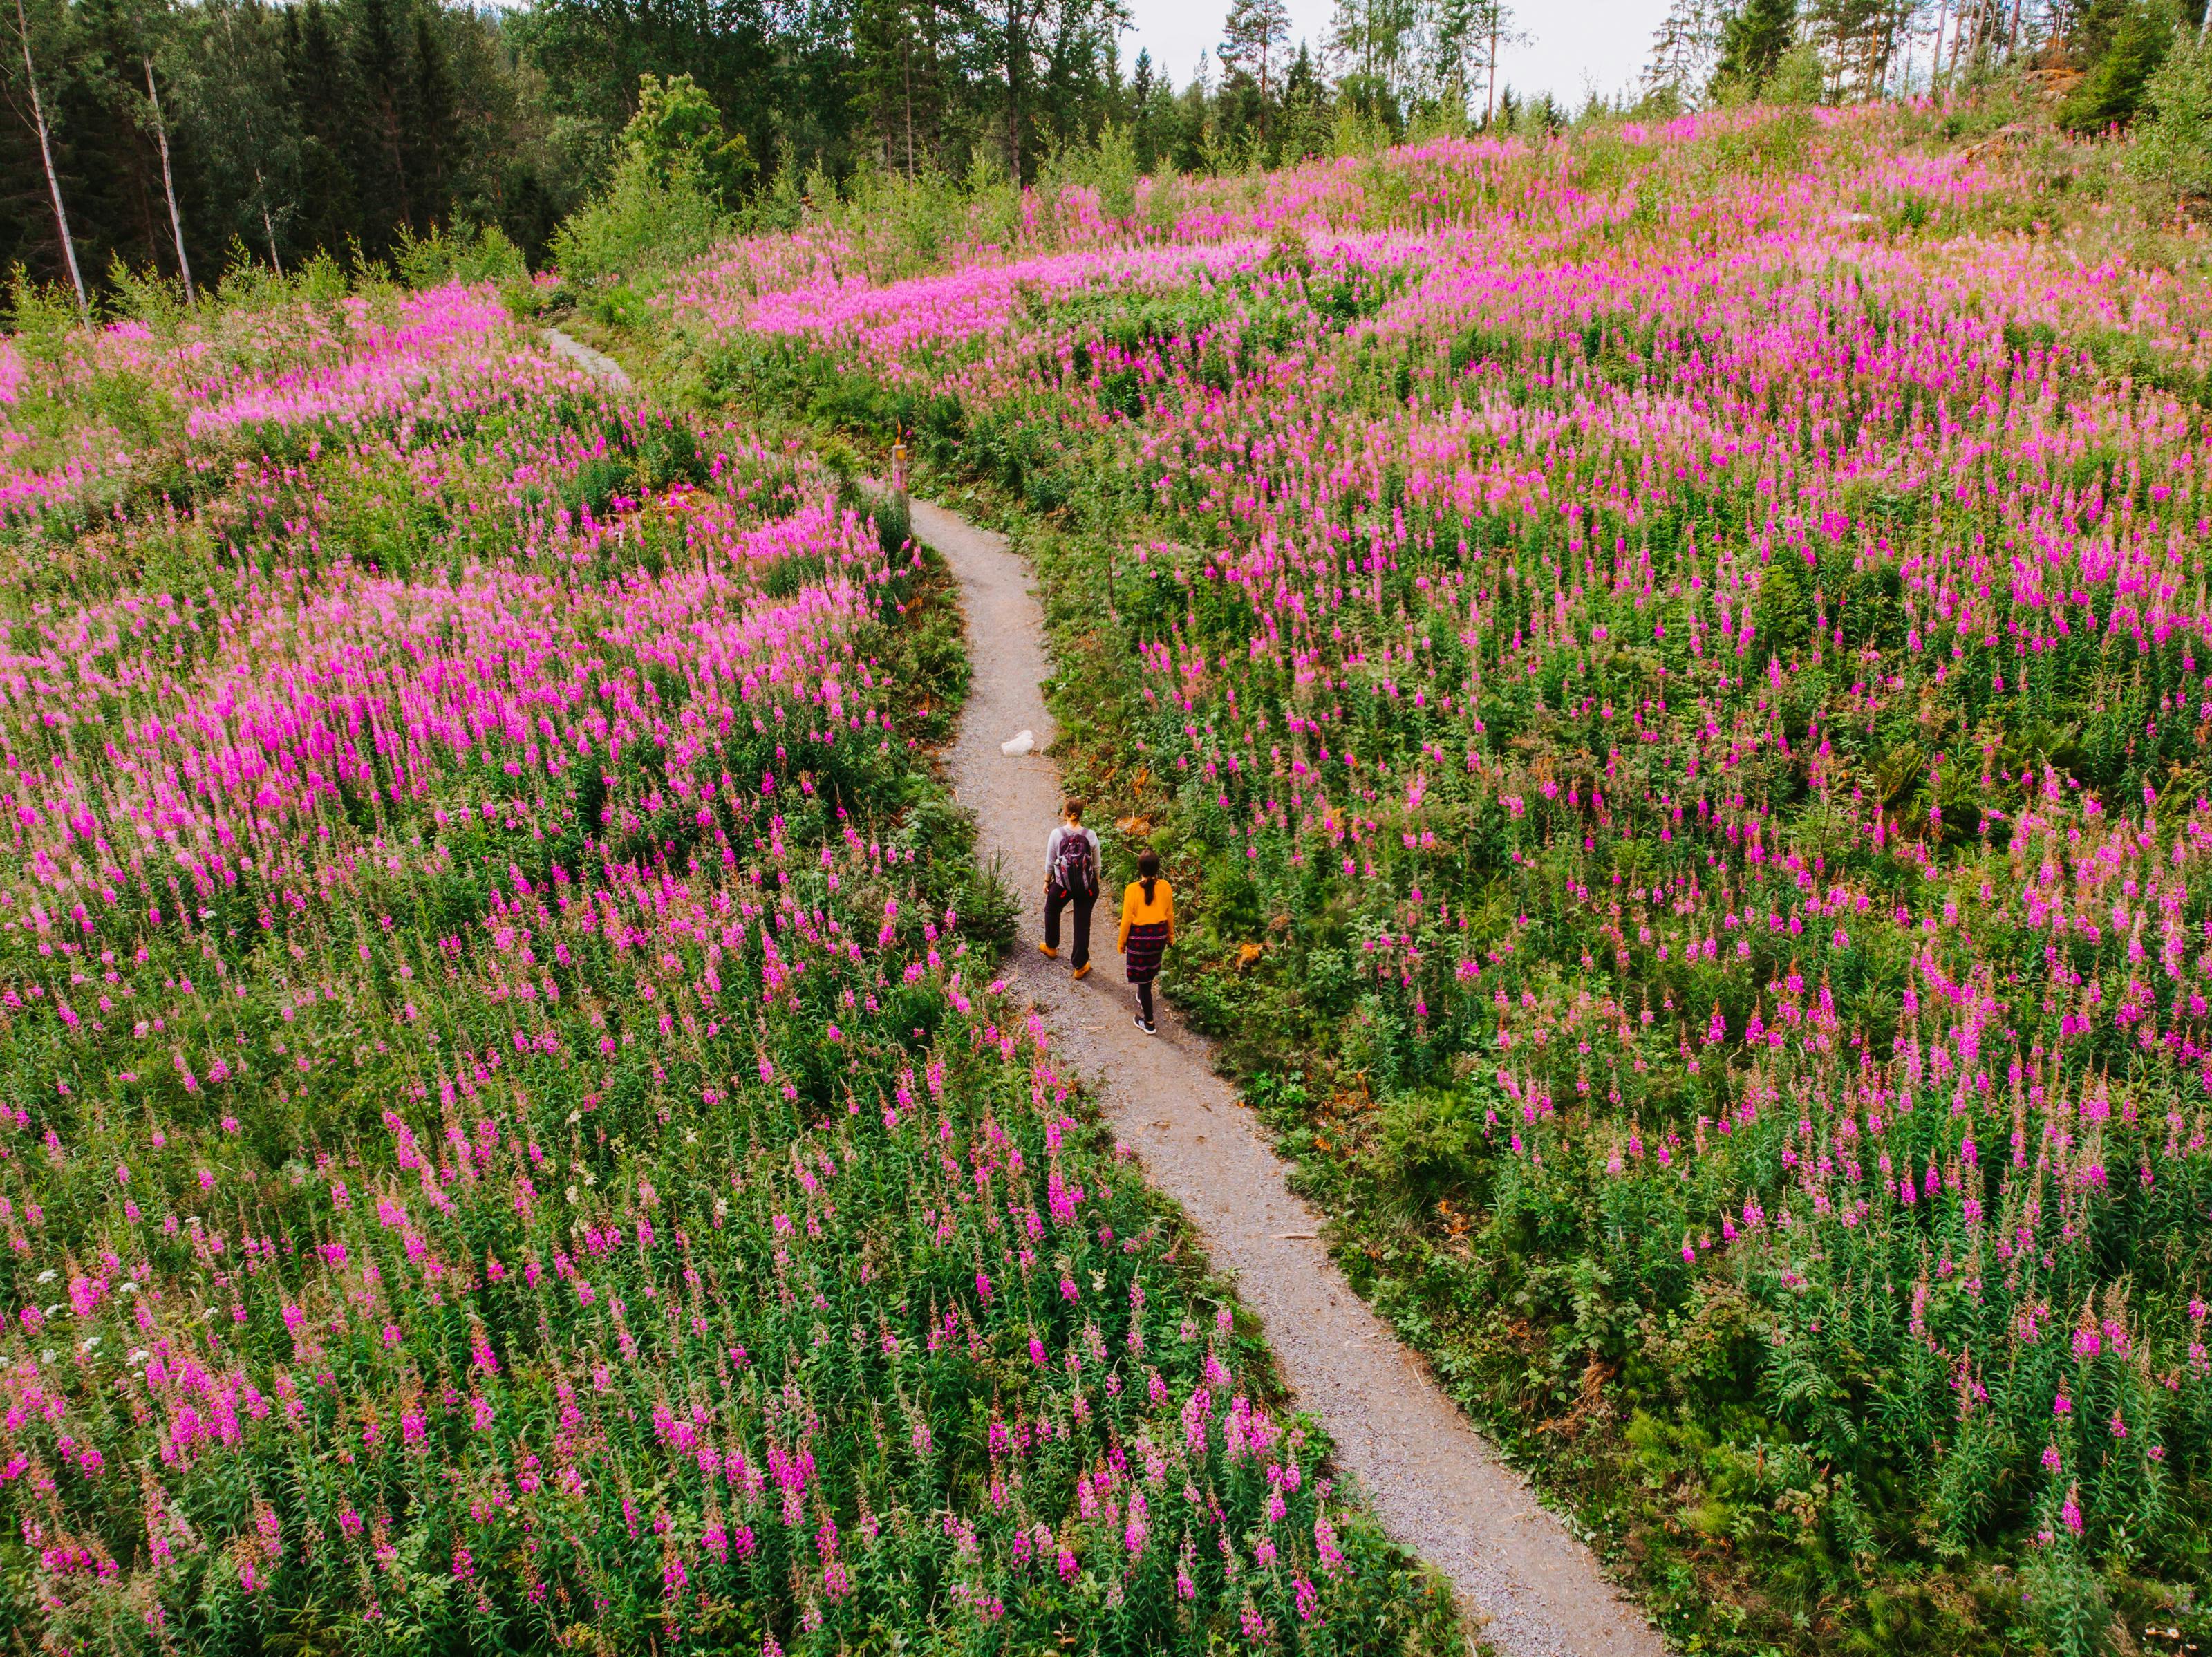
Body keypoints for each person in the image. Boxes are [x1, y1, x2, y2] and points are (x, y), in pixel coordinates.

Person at [1040, 798, 1100, 979]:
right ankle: (1080, 966)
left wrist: (1047, 881)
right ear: (1081, 813)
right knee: (1082, 924)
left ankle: (1051, 947)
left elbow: (1050, 861)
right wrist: (1093, 882)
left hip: (1063, 885)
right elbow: (1097, 865)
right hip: (1086, 887)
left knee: (1052, 909)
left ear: (1065, 813)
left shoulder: (1056, 834)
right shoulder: (1090, 835)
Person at [1118, 849, 1174, 1034]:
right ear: (1158, 868)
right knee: (1149, 972)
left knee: (1142, 979)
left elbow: (1127, 919)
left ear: (1139, 868)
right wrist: (1171, 936)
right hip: (1158, 936)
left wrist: (1122, 942)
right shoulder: (1165, 886)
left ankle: (1149, 1022)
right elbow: (1169, 914)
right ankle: (1143, 996)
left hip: (1140, 938)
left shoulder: (1132, 889)